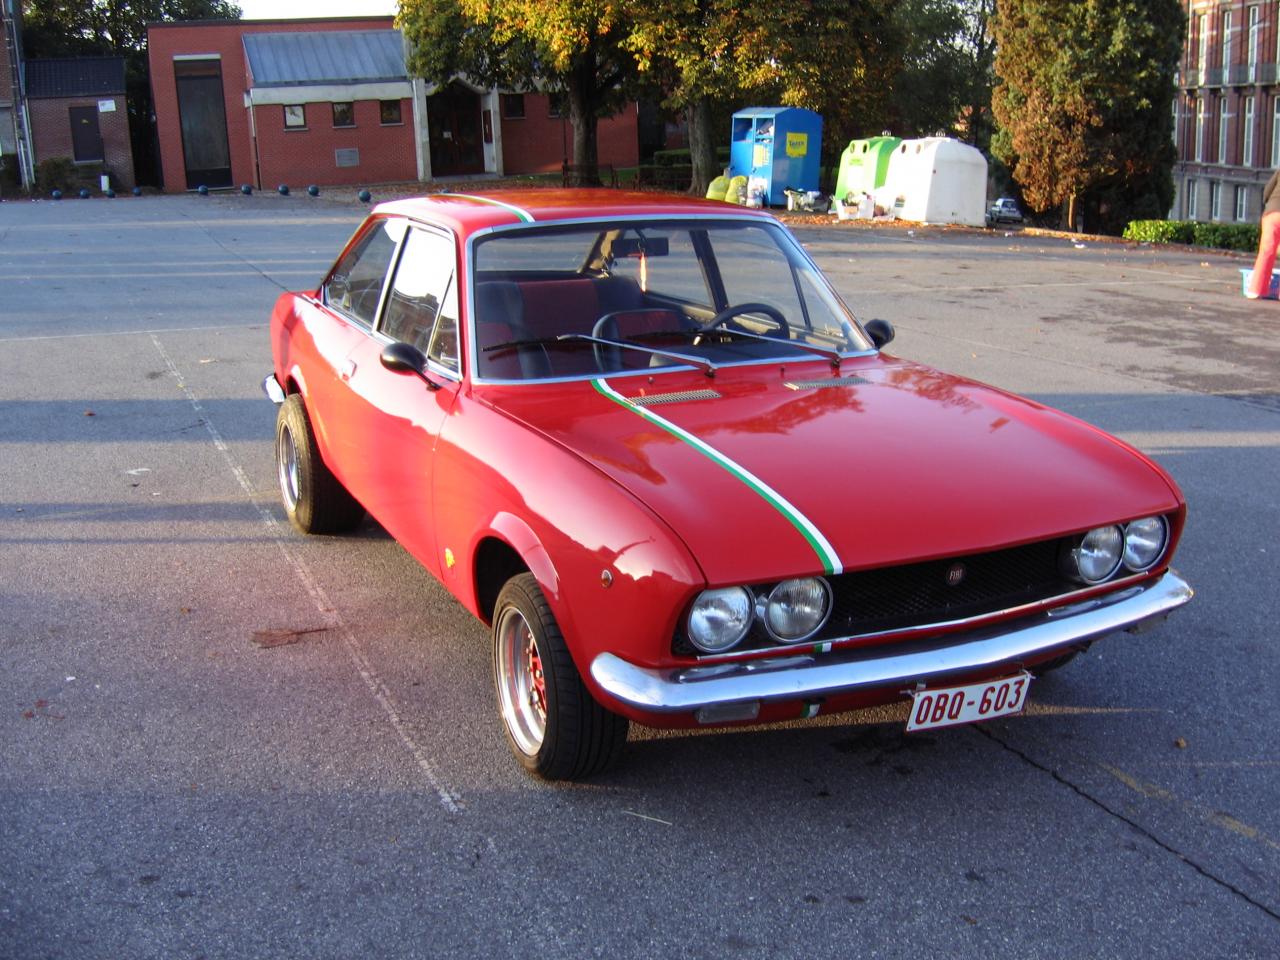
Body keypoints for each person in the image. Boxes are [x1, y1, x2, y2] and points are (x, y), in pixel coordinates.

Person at [1246, 168, 1280, 298]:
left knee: (1266, 252)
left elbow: (1266, 192)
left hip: (1272, 214)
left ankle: (1256, 289)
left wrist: (1270, 203)